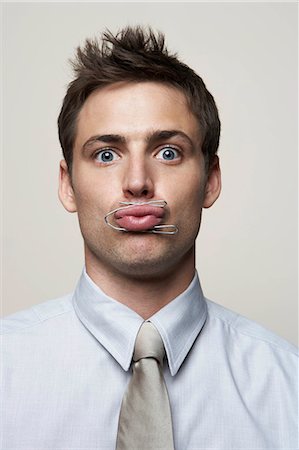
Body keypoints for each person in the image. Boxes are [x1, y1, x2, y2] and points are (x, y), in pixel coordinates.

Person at [2, 26, 297, 449]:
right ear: (67, 185)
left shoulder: (289, 389)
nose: (138, 183)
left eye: (168, 152)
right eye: (106, 155)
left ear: (210, 180)